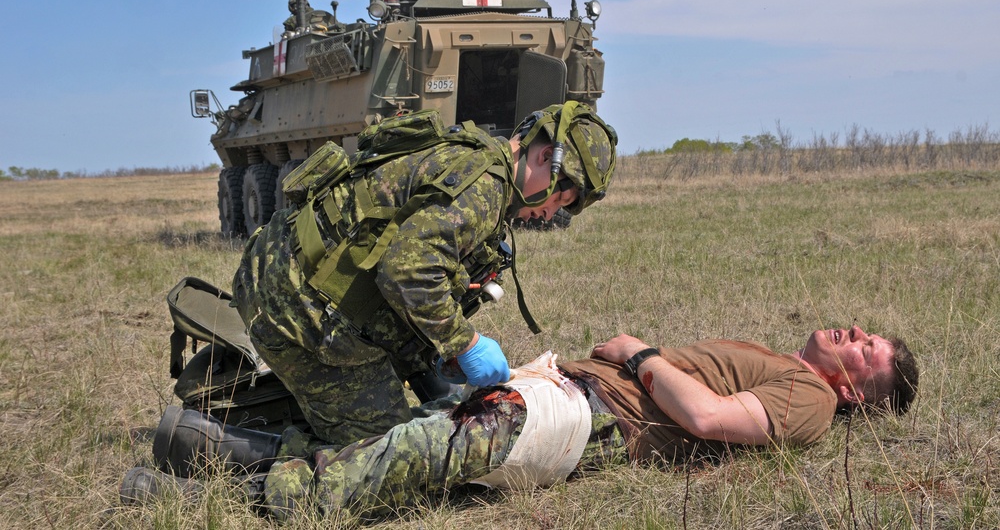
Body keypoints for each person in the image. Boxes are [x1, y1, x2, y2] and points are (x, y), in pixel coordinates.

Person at [122, 324, 917, 519]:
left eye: (869, 350)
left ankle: (235, 491)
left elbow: (706, 417)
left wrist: (641, 355)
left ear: (855, 394)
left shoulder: (809, 403)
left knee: (430, 449)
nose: (855, 334)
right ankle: (232, 445)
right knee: (408, 427)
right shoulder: (785, 362)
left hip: (590, 419)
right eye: (863, 328)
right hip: (566, 388)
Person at [230, 101, 618, 451]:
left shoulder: (475, 155)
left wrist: (441, 354)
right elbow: (407, 271)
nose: (550, 214)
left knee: (407, 421)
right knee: (392, 458)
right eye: (559, 198)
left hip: (281, 277)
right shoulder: (485, 188)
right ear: (545, 155)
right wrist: (466, 344)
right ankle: (212, 447)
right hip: (296, 311)